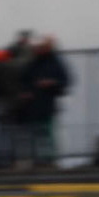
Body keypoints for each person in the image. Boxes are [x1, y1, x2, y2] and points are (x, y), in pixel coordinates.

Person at [22, 36, 70, 167]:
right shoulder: (33, 64)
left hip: (48, 103)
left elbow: (65, 81)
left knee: (47, 132)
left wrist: (52, 83)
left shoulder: (55, 63)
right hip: (33, 105)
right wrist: (27, 92)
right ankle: (38, 158)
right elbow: (24, 80)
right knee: (36, 132)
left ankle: (48, 159)